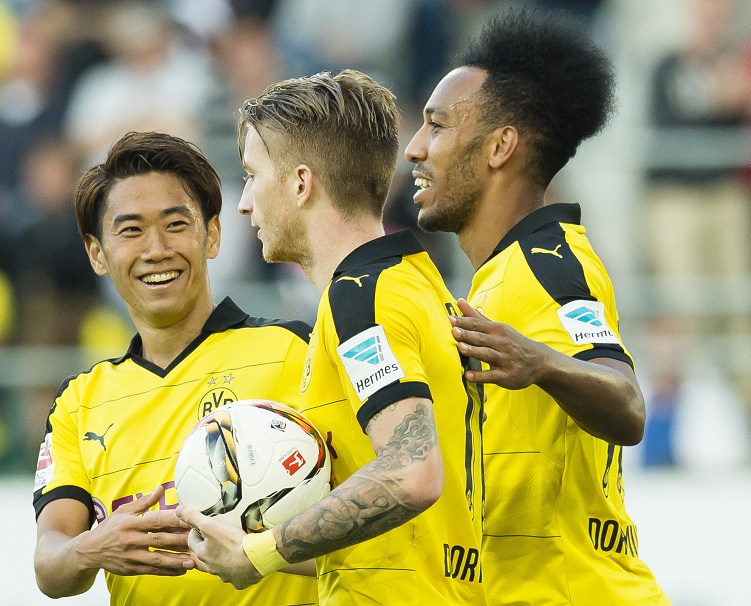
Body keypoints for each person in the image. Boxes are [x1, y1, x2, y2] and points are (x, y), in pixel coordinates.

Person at [176, 70, 486, 605]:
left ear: (301, 184)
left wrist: (262, 552)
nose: (244, 202)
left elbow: (413, 473)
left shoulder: (360, 298)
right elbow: (396, 538)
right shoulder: (417, 282)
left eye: (252, 175)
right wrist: (243, 546)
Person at [404, 9, 670, 605]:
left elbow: (627, 404)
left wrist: (542, 362)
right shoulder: (498, 278)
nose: (415, 149)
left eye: (437, 127)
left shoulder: (549, 264)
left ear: (500, 147)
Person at [32, 131, 318, 605]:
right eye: (131, 231)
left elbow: (376, 513)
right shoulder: (79, 401)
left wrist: (263, 552)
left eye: (175, 224)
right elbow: (50, 565)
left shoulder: (294, 349)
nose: (157, 249)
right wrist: (90, 549)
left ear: (213, 235)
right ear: (97, 253)